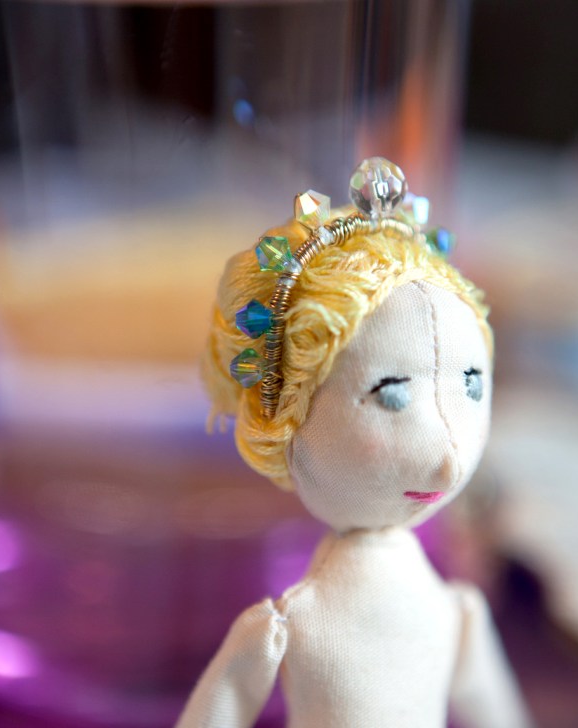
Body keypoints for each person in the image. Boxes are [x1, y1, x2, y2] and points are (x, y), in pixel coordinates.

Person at [177, 159, 530, 728]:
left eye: (471, 385)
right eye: (390, 394)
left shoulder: (454, 611)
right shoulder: (287, 625)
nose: (448, 463)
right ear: (287, 420)